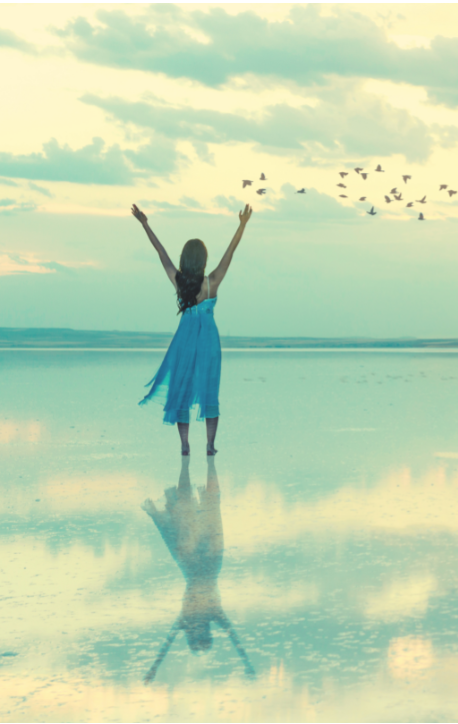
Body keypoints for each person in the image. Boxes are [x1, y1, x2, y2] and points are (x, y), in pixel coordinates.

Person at [133, 203, 252, 455]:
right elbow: (231, 252)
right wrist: (241, 225)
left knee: (183, 390)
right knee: (210, 390)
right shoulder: (212, 282)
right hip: (209, 340)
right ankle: (210, 445)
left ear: (185, 260)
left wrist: (145, 224)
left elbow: (160, 252)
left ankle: (185, 445)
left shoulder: (179, 282)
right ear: (204, 260)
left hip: (185, 340)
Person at [141, 456, 255, 683]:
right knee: (203, 510)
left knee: (189, 512)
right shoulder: (210, 616)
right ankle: (202, 462)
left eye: (196, 636)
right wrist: (247, 664)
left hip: (197, 562)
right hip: (205, 561)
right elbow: (235, 640)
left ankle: (192, 462)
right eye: (199, 635)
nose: (197, 631)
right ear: (203, 633)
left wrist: (153, 670)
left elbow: (166, 646)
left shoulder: (190, 619)